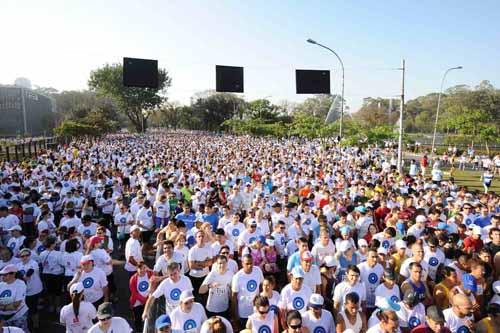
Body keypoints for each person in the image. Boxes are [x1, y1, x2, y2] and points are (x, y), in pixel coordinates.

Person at [231, 254, 264, 330]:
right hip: (243, 312)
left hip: (256, 310)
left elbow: (261, 286)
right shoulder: (237, 277)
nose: (250, 265)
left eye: (251, 263)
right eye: (247, 264)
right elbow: (234, 297)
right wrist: (236, 315)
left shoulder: (258, 270)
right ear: (242, 263)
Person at [15, 247, 43, 330]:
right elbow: (17, 274)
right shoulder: (18, 265)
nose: (24, 257)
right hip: (23, 291)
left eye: (26, 255)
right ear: (20, 257)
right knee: (25, 309)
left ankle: (36, 324)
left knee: (33, 308)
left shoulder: (33, 263)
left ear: (29, 255)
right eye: (22, 256)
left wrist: (24, 276)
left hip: (34, 290)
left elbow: (30, 272)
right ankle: (28, 322)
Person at [0, 265, 28, 332]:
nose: (2, 277)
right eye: (1, 274)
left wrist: (2, 307)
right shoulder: (1, 284)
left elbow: (15, 305)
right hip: (4, 317)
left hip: (18, 316)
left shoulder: (20, 284)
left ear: (13, 274)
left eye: (5, 275)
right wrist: (6, 306)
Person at [129, 261, 153, 331]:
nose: (143, 270)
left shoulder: (150, 274)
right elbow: (134, 293)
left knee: (148, 316)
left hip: (147, 300)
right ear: (137, 269)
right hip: (137, 302)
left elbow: (155, 277)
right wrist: (144, 300)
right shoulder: (133, 279)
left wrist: (147, 300)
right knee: (138, 318)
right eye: (140, 268)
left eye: (144, 268)